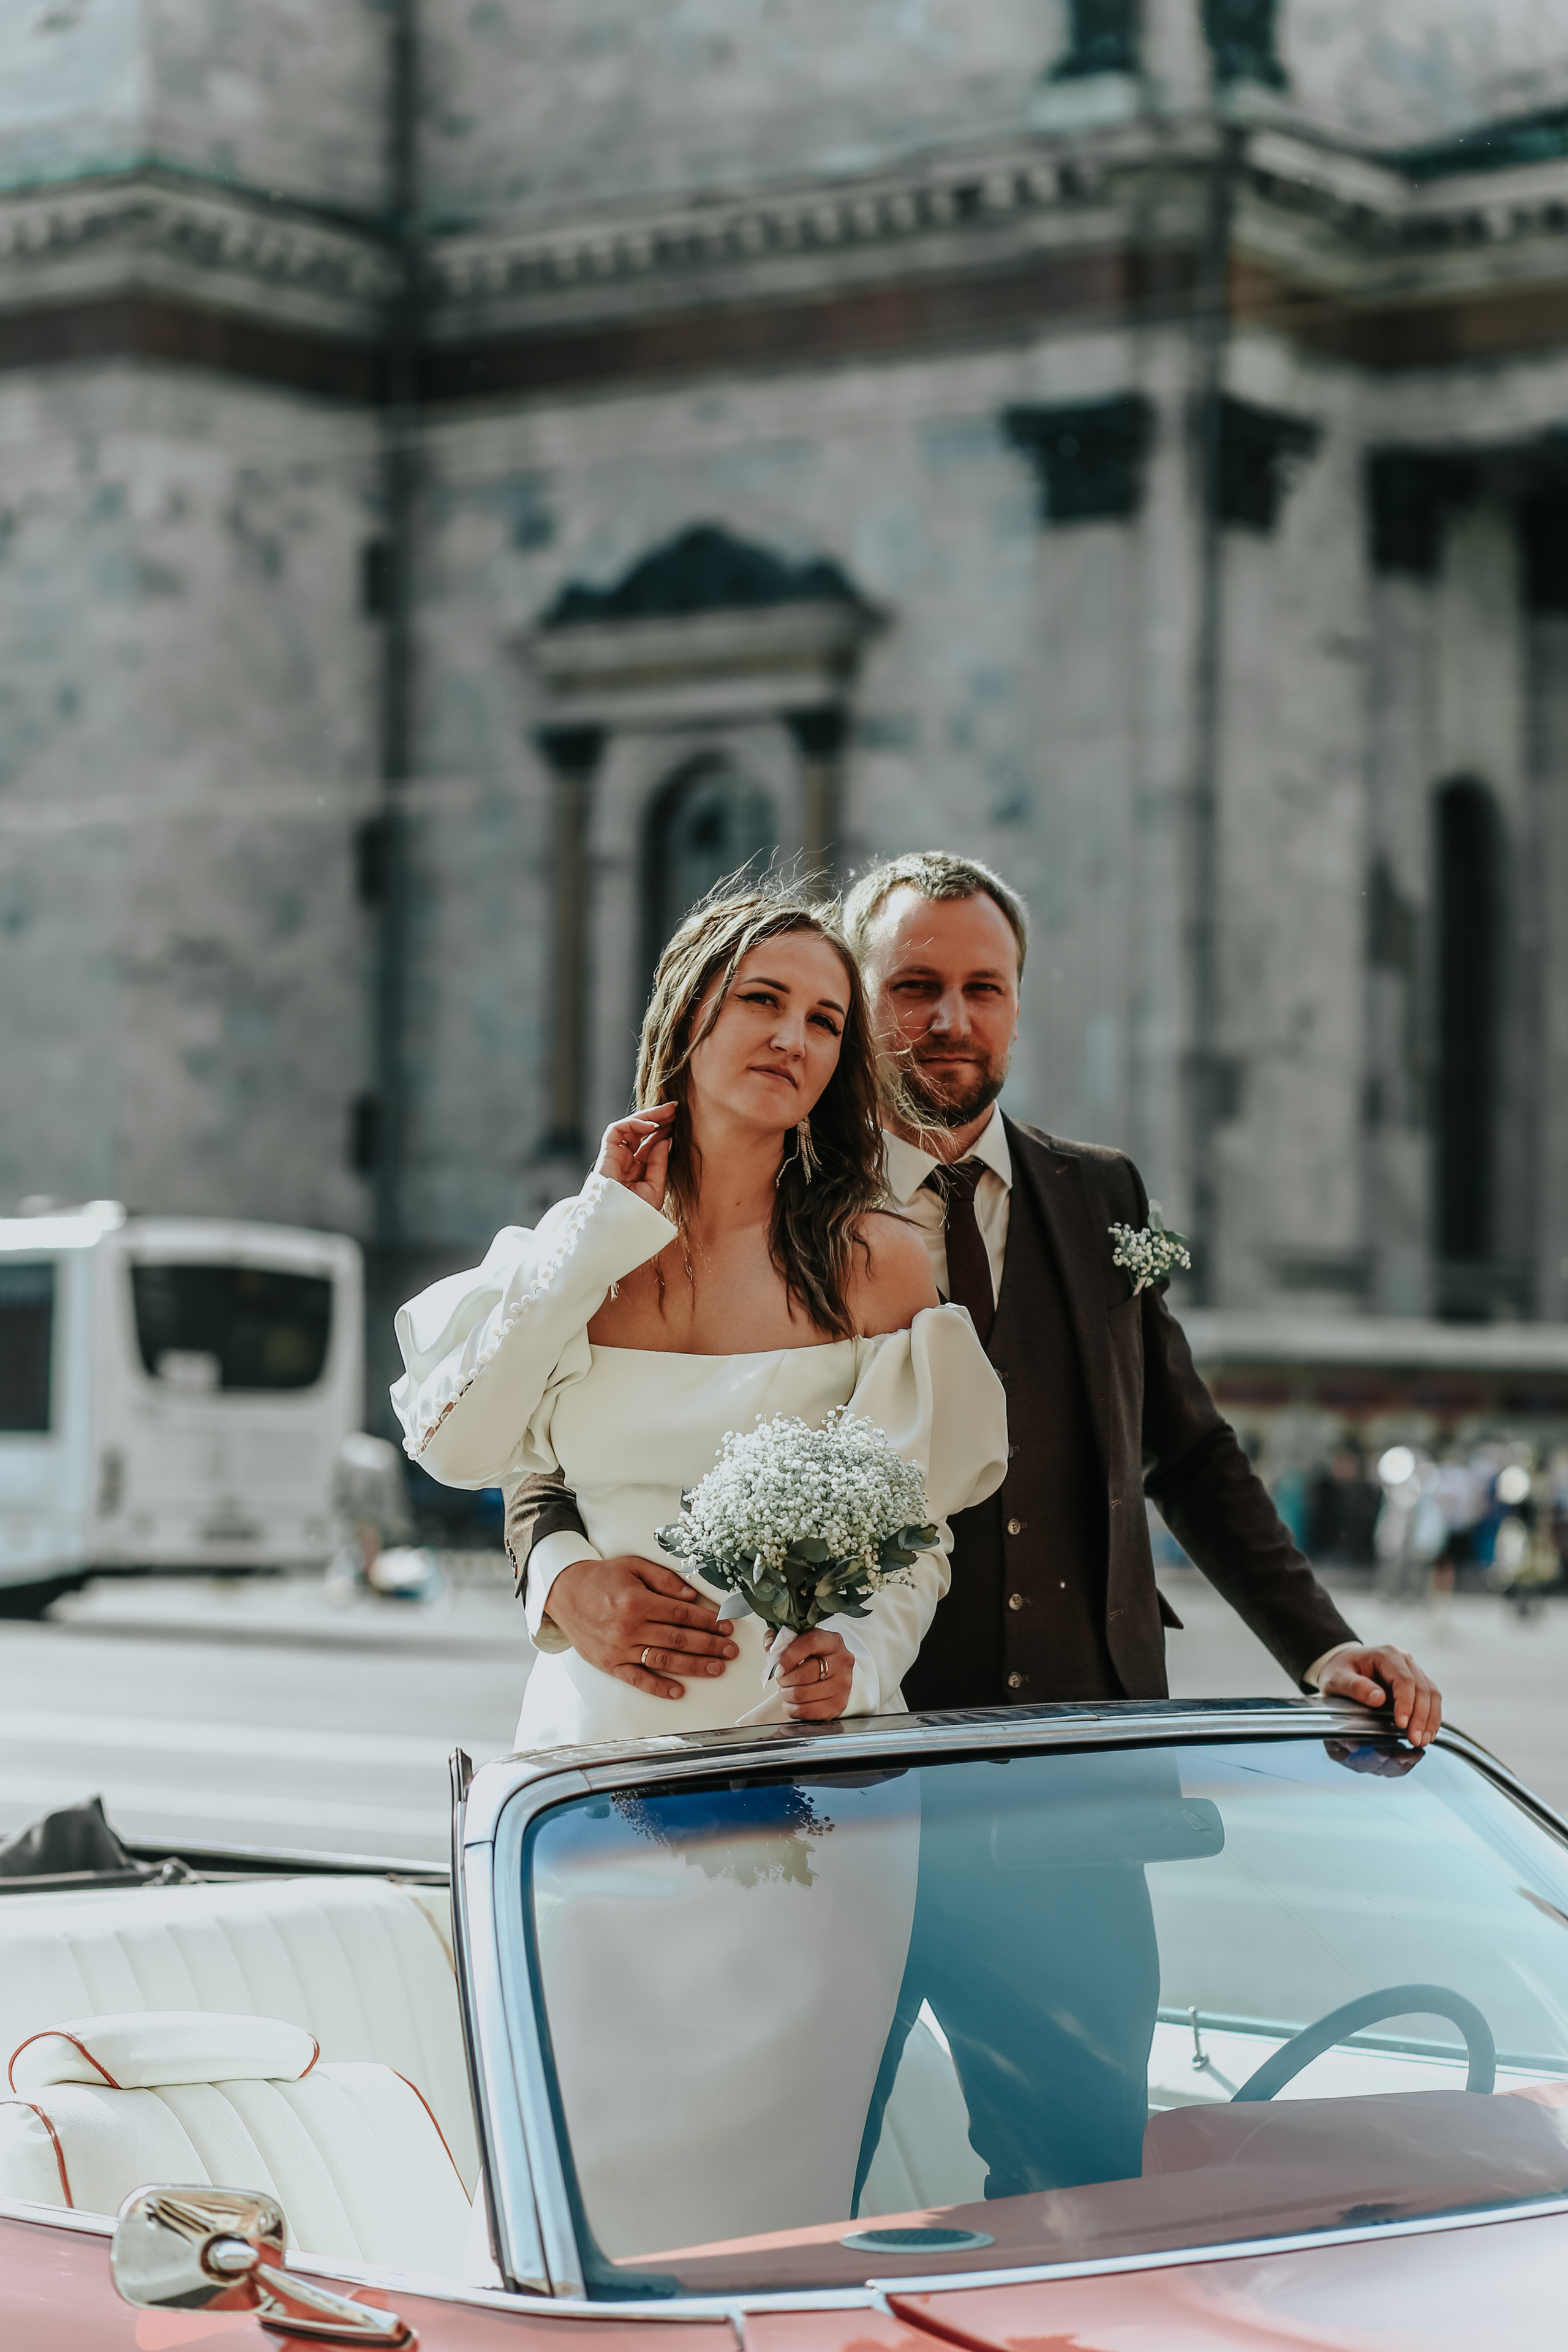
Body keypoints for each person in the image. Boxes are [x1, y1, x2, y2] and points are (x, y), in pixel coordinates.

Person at [507, 850, 1444, 2203]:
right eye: (911, 988)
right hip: (831, 1794)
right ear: (855, 1009)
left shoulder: (1107, 1199)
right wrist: (560, 1579)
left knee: (1079, 2188)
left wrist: (1322, 1644)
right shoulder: (729, 1204)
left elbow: (1187, 1447)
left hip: (1063, 1801)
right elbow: (554, 1441)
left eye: (983, 989)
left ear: (1017, 1004)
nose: (950, 1020)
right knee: (784, 2183)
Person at [390, 882, 1008, 1750]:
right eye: (762, 1000)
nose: (792, 1038)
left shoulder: (875, 1260)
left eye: (825, 1022)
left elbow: (917, 1536)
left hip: (803, 1757)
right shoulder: (578, 1250)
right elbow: (459, 1451)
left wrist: (860, 1661)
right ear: (687, 1018)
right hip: (592, 1753)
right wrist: (597, 1238)